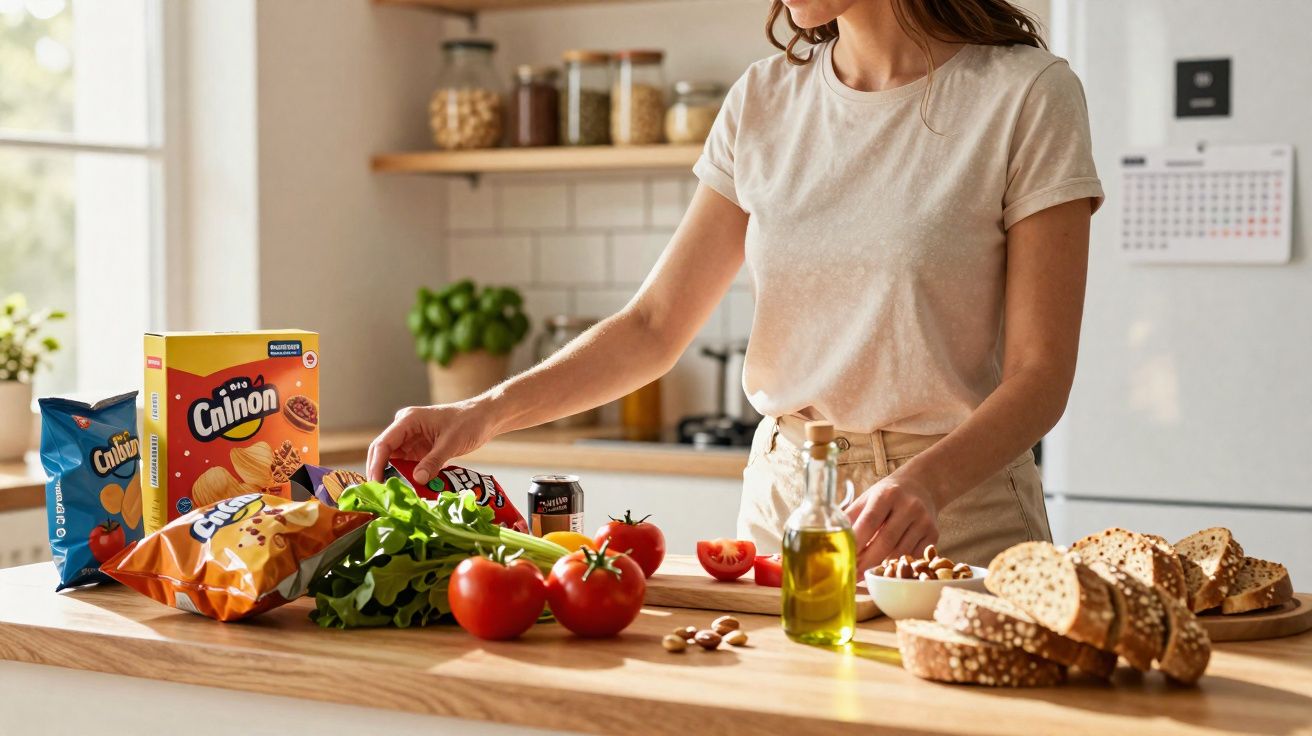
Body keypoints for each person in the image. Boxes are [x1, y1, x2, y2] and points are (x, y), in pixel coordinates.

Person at [368, 0, 1102, 570]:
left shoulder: (1027, 97)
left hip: (959, 515)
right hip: (785, 507)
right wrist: (481, 413)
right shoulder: (763, 101)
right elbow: (654, 327)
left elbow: (1041, 377)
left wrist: (928, 485)